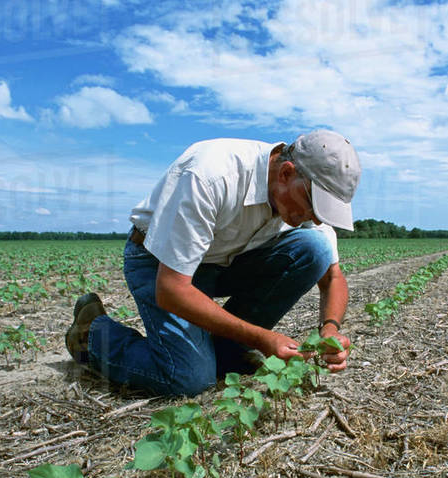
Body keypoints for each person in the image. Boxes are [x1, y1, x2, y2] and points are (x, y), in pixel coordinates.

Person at [65, 130, 360, 397]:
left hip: (222, 263)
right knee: (189, 380)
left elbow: (333, 277)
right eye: (313, 205)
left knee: (316, 248)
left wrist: (330, 329)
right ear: (286, 173)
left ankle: (222, 351)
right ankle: (92, 333)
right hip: (159, 264)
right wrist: (261, 338)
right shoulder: (210, 174)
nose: (316, 217)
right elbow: (171, 289)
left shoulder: (298, 197)